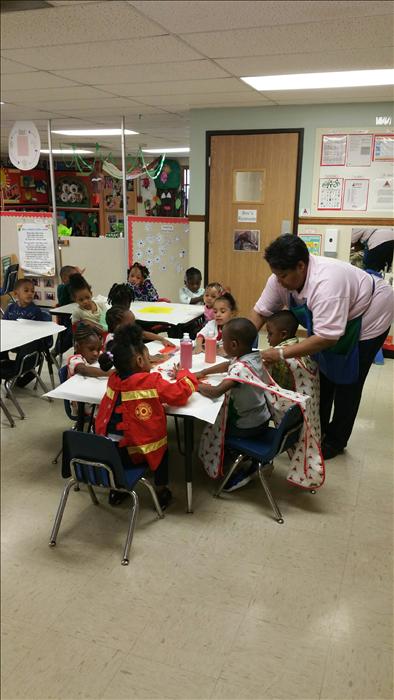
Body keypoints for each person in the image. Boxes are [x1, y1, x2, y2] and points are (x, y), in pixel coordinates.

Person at [251, 234, 394, 459]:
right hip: (340, 313)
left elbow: (327, 338)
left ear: (301, 265)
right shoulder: (280, 278)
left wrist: (279, 353)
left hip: (371, 311)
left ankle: (336, 440)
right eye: (276, 275)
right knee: (322, 372)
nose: (279, 282)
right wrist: (242, 342)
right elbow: (261, 311)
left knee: (349, 380)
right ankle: (318, 428)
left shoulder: (326, 284)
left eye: (284, 276)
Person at [96, 324, 198, 508]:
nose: (152, 361)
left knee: (122, 442)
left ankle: (117, 490)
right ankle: (161, 491)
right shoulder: (150, 381)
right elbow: (179, 394)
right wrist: (185, 374)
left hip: (108, 451)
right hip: (138, 449)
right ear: (140, 360)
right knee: (162, 451)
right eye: (150, 358)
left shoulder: (114, 379)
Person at [197, 318, 271, 490]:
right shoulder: (254, 355)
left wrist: (193, 385)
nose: (221, 344)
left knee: (209, 426)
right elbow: (227, 365)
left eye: (224, 341)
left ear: (235, 345)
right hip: (262, 418)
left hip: (246, 426)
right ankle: (247, 458)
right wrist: (202, 372)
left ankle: (241, 463)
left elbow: (216, 391)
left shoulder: (240, 369)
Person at [67, 323, 112, 419]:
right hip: (82, 403)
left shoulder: (96, 354)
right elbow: (85, 370)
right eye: (91, 349)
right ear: (77, 346)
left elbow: (108, 355)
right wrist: (109, 373)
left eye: (98, 349)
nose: (96, 353)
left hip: (94, 396)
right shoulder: (75, 359)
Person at [104, 305, 175, 360]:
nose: (134, 326)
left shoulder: (128, 331)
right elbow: (124, 358)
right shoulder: (112, 341)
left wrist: (162, 339)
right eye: (131, 324)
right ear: (118, 326)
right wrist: (147, 358)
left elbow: (144, 334)